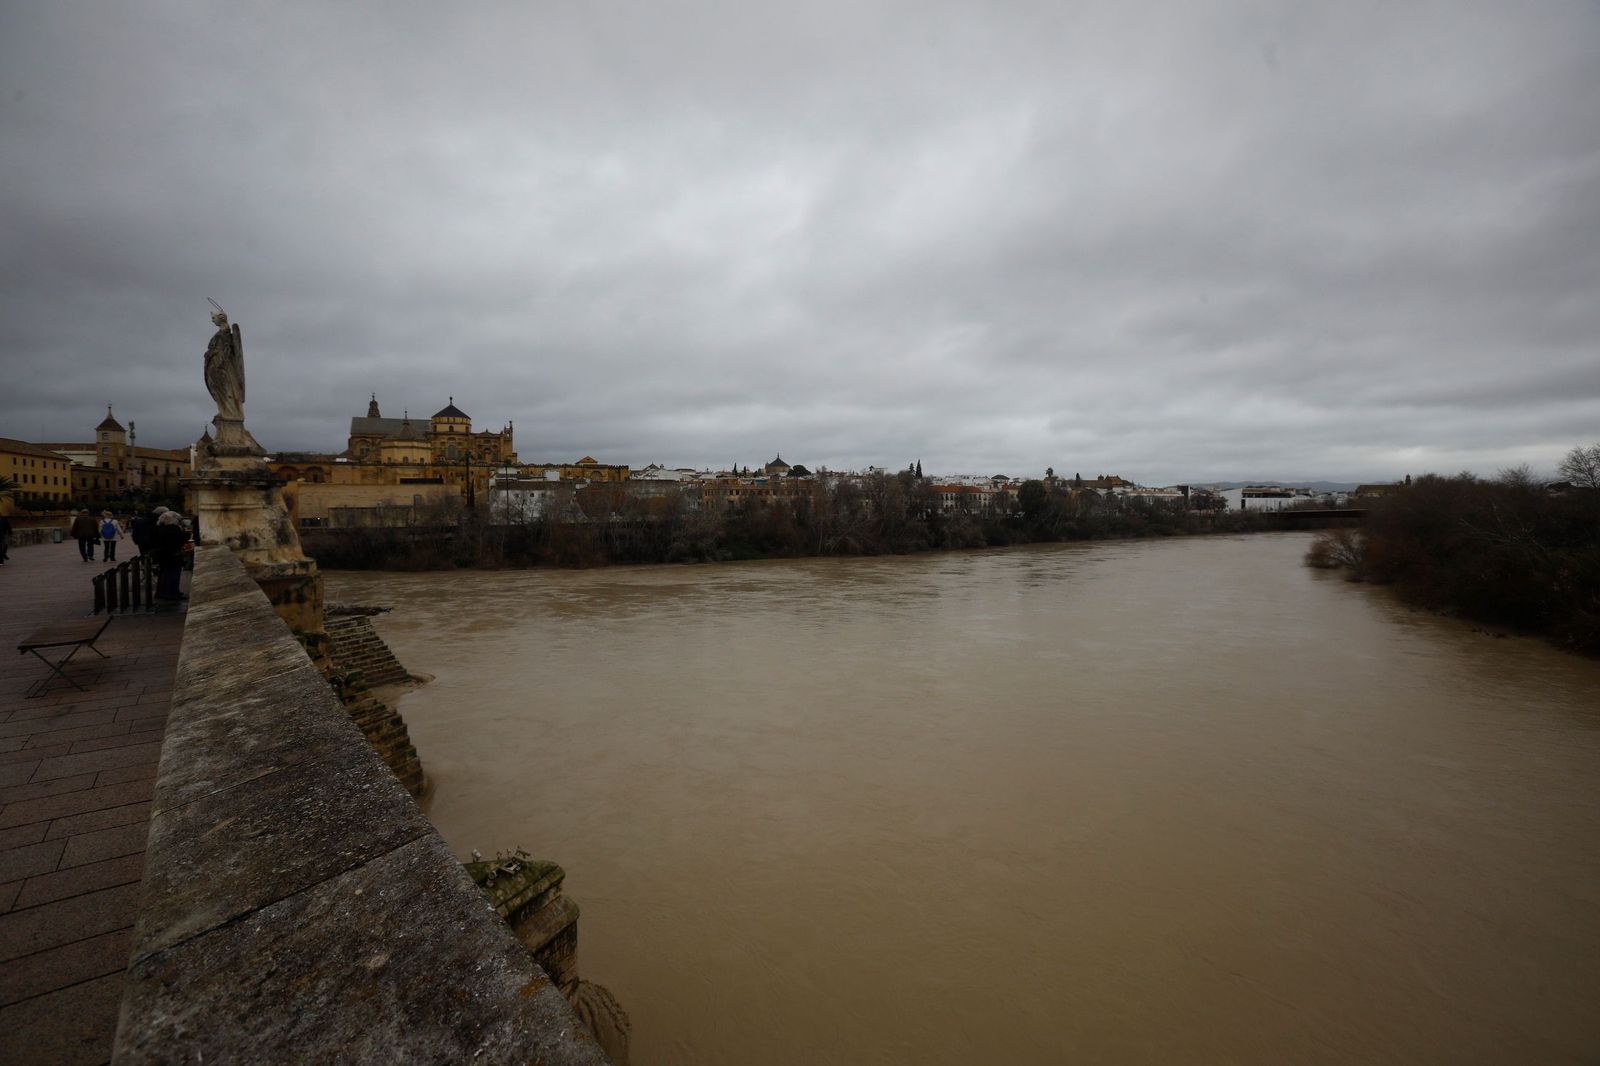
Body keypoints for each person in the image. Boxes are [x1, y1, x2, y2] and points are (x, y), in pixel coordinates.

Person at [154, 510, 187, 601]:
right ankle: (172, 593)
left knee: (165, 574)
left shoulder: (160, 528)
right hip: (173, 555)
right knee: (173, 574)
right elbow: (182, 538)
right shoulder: (173, 529)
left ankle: (163, 592)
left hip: (162, 555)